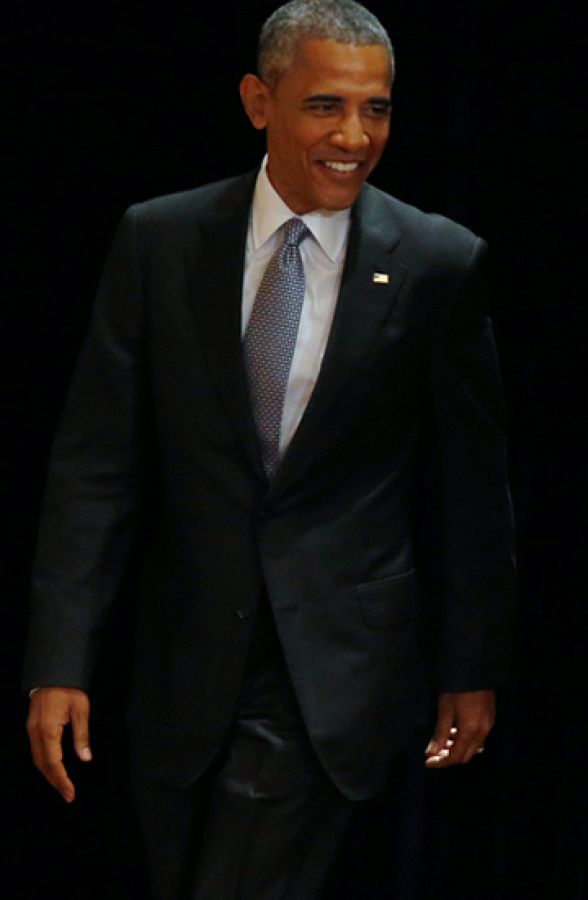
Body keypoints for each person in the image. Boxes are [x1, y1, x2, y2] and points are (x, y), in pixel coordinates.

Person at [20, 1, 517, 895]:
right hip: (183, 663)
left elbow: (472, 492)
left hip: (331, 670)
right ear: (259, 100)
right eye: (326, 106)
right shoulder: (161, 242)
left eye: (378, 109)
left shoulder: (436, 263)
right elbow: (96, 469)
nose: (356, 136)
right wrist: (60, 660)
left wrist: (470, 667)